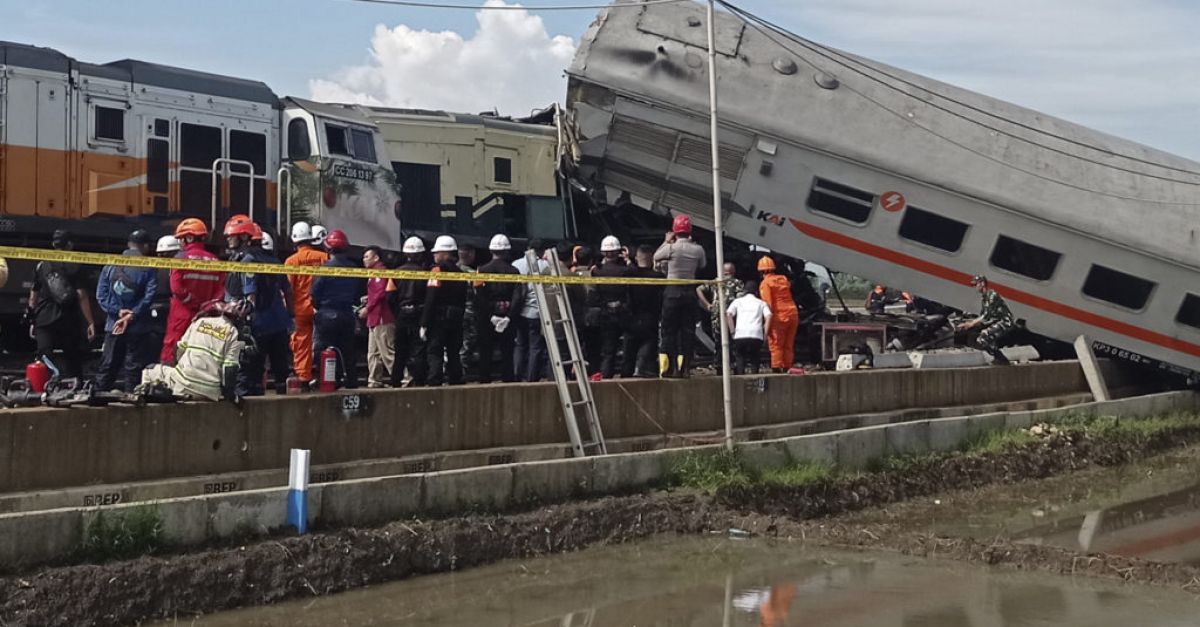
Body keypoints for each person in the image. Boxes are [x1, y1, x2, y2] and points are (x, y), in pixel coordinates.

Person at [224, 216, 293, 396]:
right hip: (279, 324)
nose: (229, 239)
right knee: (281, 373)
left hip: (258, 325)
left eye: (233, 236)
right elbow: (288, 291)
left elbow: (250, 295)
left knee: (250, 372)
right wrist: (290, 317)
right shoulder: (276, 262)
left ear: (245, 238)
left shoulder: (247, 261)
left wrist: (242, 317)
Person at [140, 300, 245, 401]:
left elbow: (179, 349)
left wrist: (182, 367)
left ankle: (146, 403)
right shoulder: (234, 333)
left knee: (149, 370)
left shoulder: (199, 322)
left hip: (182, 383)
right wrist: (230, 396)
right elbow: (229, 369)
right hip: (210, 392)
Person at [25, 230, 96, 379]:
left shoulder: (41, 265)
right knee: (72, 356)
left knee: (44, 356)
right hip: (68, 318)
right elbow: (82, 295)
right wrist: (90, 322)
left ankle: (44, 388)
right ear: (70, 244)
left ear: (53, 244)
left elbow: (33, 296)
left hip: (44, 318)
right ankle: (74, 387)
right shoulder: (76, 265)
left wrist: (32, 320)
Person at [95, 229, 158, 391]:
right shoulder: (148, 267)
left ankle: (99, 398)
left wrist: (118, 312)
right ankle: (132, 398)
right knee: (133, 368)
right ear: (144, 246)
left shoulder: (110, 265)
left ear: (129, 244)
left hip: (114, 325)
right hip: (138, 326)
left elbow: (101, 296)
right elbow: (149, 296)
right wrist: (133, 314)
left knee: (108, 365)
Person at [163, 218, 223, 365]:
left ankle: (168, 382)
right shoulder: (215, 261)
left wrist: (191, 302)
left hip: (182, 313)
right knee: (202, 348)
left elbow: (176, 288)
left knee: (174, 347)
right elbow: (221, 290)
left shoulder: (180, 259)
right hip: (207, 314)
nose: (180, 243)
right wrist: (206, 306)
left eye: (181, 239)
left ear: (189, 238)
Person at [654, 215, 706, 377]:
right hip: (689, 291)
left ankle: (669, 369)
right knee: (687, 331)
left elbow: (656, 256)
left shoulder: (671, 248)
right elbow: (702, 265)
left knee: (669, 331)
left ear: (675, 231)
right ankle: (684, 369)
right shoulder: (698, 249)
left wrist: (667, 241)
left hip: (672, 291)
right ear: (689, 230)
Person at [311, 229, 363, 389]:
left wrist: (320, 307)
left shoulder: (324, 268)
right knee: (347, 351)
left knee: (322, 349)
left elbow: (314, 294)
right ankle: (351, 382)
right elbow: (357, 293)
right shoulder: (354, 268)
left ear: (328, 248)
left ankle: (326, 381)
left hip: (326, 314)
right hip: (347, 314)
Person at [284, 221, 329, 384]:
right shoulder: (324, 258)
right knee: (324, 343)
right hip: (321, 309)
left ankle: (304, 377)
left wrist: (289, 311)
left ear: (294, 239)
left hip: (300, 309)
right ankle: (326, 376)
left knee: (301, 343)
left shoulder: (291, 261)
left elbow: (289, 288)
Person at [422, 235, 468, 386]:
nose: (434, 255)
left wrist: (424, 322)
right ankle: (456, 378)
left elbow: (431, 298)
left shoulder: (437, 270)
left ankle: (435, 379)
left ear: (445, 253)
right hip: (456, 318)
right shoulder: (461, 273)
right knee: (453, 351)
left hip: (439, 318)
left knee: (435, 351)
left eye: (437, 252)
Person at [475, 234, 520, 383]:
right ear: (507, 251)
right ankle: (508, 380)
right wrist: (509, 317)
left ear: (490, 251)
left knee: (485, 351)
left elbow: (479, 296)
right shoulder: (514, 271)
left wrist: (489, 316)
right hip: (507, 313)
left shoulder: (481, 271)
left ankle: (484, 380)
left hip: (488, 316)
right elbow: (517, 296)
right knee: (507, 351)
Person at [590, 235, 633, 379]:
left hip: (606, 313)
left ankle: (606, 375)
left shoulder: (597, 271)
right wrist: (628, 260)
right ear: (618, 251)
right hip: (623, 312)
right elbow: (634, 272)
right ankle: (626, 374)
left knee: (608, 350)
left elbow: (594, 294)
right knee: (627, 346)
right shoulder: (624, 271)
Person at [389, 236, 429, 387]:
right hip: (419, 314)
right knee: (418, 349)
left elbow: (389, 296)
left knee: (400, 350)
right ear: (420, 254)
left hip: (401, 314)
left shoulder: (396, 273)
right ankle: (419, 380)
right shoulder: (425, 274)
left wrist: (397, 311)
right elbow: (428, 295)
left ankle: (395, 379)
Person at [621, 245, 665, 378]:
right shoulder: (659, 277)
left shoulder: (629, 274)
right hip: (650, 317)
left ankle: (626, 374)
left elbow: (630, 270)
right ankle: (643, 369)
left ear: (636, 257)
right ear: (652, 259)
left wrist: (628, 260)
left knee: (629, 351)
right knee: (649, 347)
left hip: (631, 317)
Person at [512, 238, 550, 382]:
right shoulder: (546, 266)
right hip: (537, 312)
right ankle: (532, 377)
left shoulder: (516, 264)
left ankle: (517, 374)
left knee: (520, 345)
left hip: (520, 311)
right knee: (536, 347)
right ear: (541, 251)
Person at [958, 275, 1015, 365]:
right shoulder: (984, 298)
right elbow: (983, 315)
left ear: (982, 283)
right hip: (996, 322)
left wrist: (972, 323)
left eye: (976, 284)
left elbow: (986, 315)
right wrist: (968, 323)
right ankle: (999, 358)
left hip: (1004, 322)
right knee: (976, 338)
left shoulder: (992, 295)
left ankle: (1001, 359)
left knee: (983, 337)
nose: (975, 287)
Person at [758, 256, 799, 372]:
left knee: (776, 344)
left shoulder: (765, 283)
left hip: (779, 316)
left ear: (761, 271)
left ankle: (776, 368)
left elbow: (768, 304)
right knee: (788, 343)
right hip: (793, 314)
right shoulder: (783, 279)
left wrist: (765, 322)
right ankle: (787, 367)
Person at [362, 246, 395, 388]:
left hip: (381, 317)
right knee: (373, 353)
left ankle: (404, 377)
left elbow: (380, 293)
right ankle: (374, 380)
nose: (364, 260)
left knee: (387, 351)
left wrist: (367, 308)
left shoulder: (380, 272)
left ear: (376, 258)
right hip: (374, 319)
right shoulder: (374, 273)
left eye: (367, 257)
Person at [726, 281, 772, 375]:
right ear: (756, 292)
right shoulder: (761, 303)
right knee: (755, 356)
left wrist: (732, 331)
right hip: (756, 334)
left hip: (740, 334)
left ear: (744, 291)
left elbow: (728, 314)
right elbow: (769, 316)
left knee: (740, 356)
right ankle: (754, 376)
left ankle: (740, 375)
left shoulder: (738, 301)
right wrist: (765, 334)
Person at [697, 261, 743, 345]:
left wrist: (708, 305)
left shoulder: (715, 282)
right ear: (733, 271)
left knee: (718, 342)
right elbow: (740, 298)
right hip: (732, 317)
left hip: (716, 315)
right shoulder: (737, 282)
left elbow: (699, 289)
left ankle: (719, 357)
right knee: (733, 341)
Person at [148, 235, 178, 361]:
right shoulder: (178, 268)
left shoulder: (152, 267)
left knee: (154, 343)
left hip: (153, 307)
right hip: (172, 307)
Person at [457, 242, 481, 381]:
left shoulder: (450, 270)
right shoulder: (473, 274)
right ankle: (462, 372)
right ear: (471, 254)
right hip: (470, 313)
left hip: (454, 313)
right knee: (467, 344)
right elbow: (479, 294)